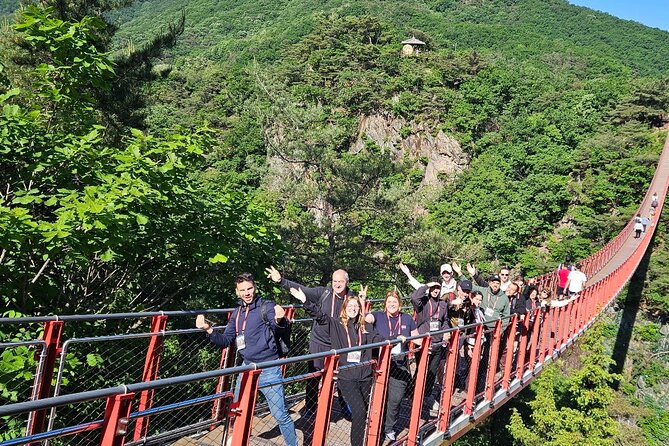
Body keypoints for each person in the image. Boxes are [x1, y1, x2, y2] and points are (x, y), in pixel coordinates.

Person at [290, 287, 402, 446]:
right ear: (344, 308)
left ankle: (361, 440)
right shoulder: (336, 324)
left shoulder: (365, 327)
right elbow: (320, 317)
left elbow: (380, 339)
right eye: (350, 306)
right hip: (347, 378)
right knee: (359, 411)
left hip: (365, 377)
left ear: (360, 308)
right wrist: (305, 301)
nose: (353, 309)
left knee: (362, 414)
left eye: (356, 306)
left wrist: (396, 338)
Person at [195, 273, 297, 446]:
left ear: (255, 288)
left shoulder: (267, 306)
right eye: (242, 290)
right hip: (246, 368)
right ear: (237, 292)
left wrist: (280, 320)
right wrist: (209, 330)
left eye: (249, 288)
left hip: (269, 368)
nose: (247, 293)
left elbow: (280, 330)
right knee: (238, 410)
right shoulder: (237, 313)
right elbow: (226, 340)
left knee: (280, 415)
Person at [265, 265, 352, 417]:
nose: (337, 285)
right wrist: (280, 280)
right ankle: (311, 407)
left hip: (340, 343)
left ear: (347, 282)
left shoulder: (351, 298)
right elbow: (301, 289)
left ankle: (346, 406)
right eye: (334, 281)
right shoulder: (323, 293)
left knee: (344, 376)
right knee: (314, 375)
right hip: (319, 342)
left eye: (341, 282)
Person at [364, 291, 419, 442]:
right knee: (378, 396)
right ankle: (377, 427)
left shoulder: (407, 319)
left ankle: (389, 428)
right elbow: (365, 319)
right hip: (380, 363)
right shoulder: (378, 316)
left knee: (395, 398)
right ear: (385, 304)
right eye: (389, 302)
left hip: (399, 363)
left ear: (400, 304)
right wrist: (363, 307)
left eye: (394, 302)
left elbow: (418, 337)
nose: (392, 304)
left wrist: (430, 342)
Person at [410, 281, 450, 411]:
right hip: (424, 342)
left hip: (437, 342)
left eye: (438, 288)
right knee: (421, 369)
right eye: (433, 288)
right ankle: (414, 393)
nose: (436, 290)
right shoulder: (423, 302)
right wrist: (427, 286)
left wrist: (446, 332)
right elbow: (414, 297)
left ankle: (427, 395)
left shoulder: (443, 304)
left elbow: (444, 321)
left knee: (432, 371)